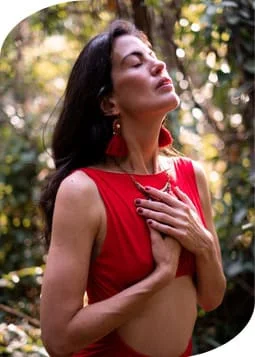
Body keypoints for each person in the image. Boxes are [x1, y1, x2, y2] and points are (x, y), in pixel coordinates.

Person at [39, 19, 226, 357]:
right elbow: (58, 338)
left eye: (153, 55)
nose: (158, 64)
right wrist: (159, 277)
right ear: (110, 103)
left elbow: (211, 299)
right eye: (136, 63)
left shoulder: (191, 174)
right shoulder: (83, 191)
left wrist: (204, 243)